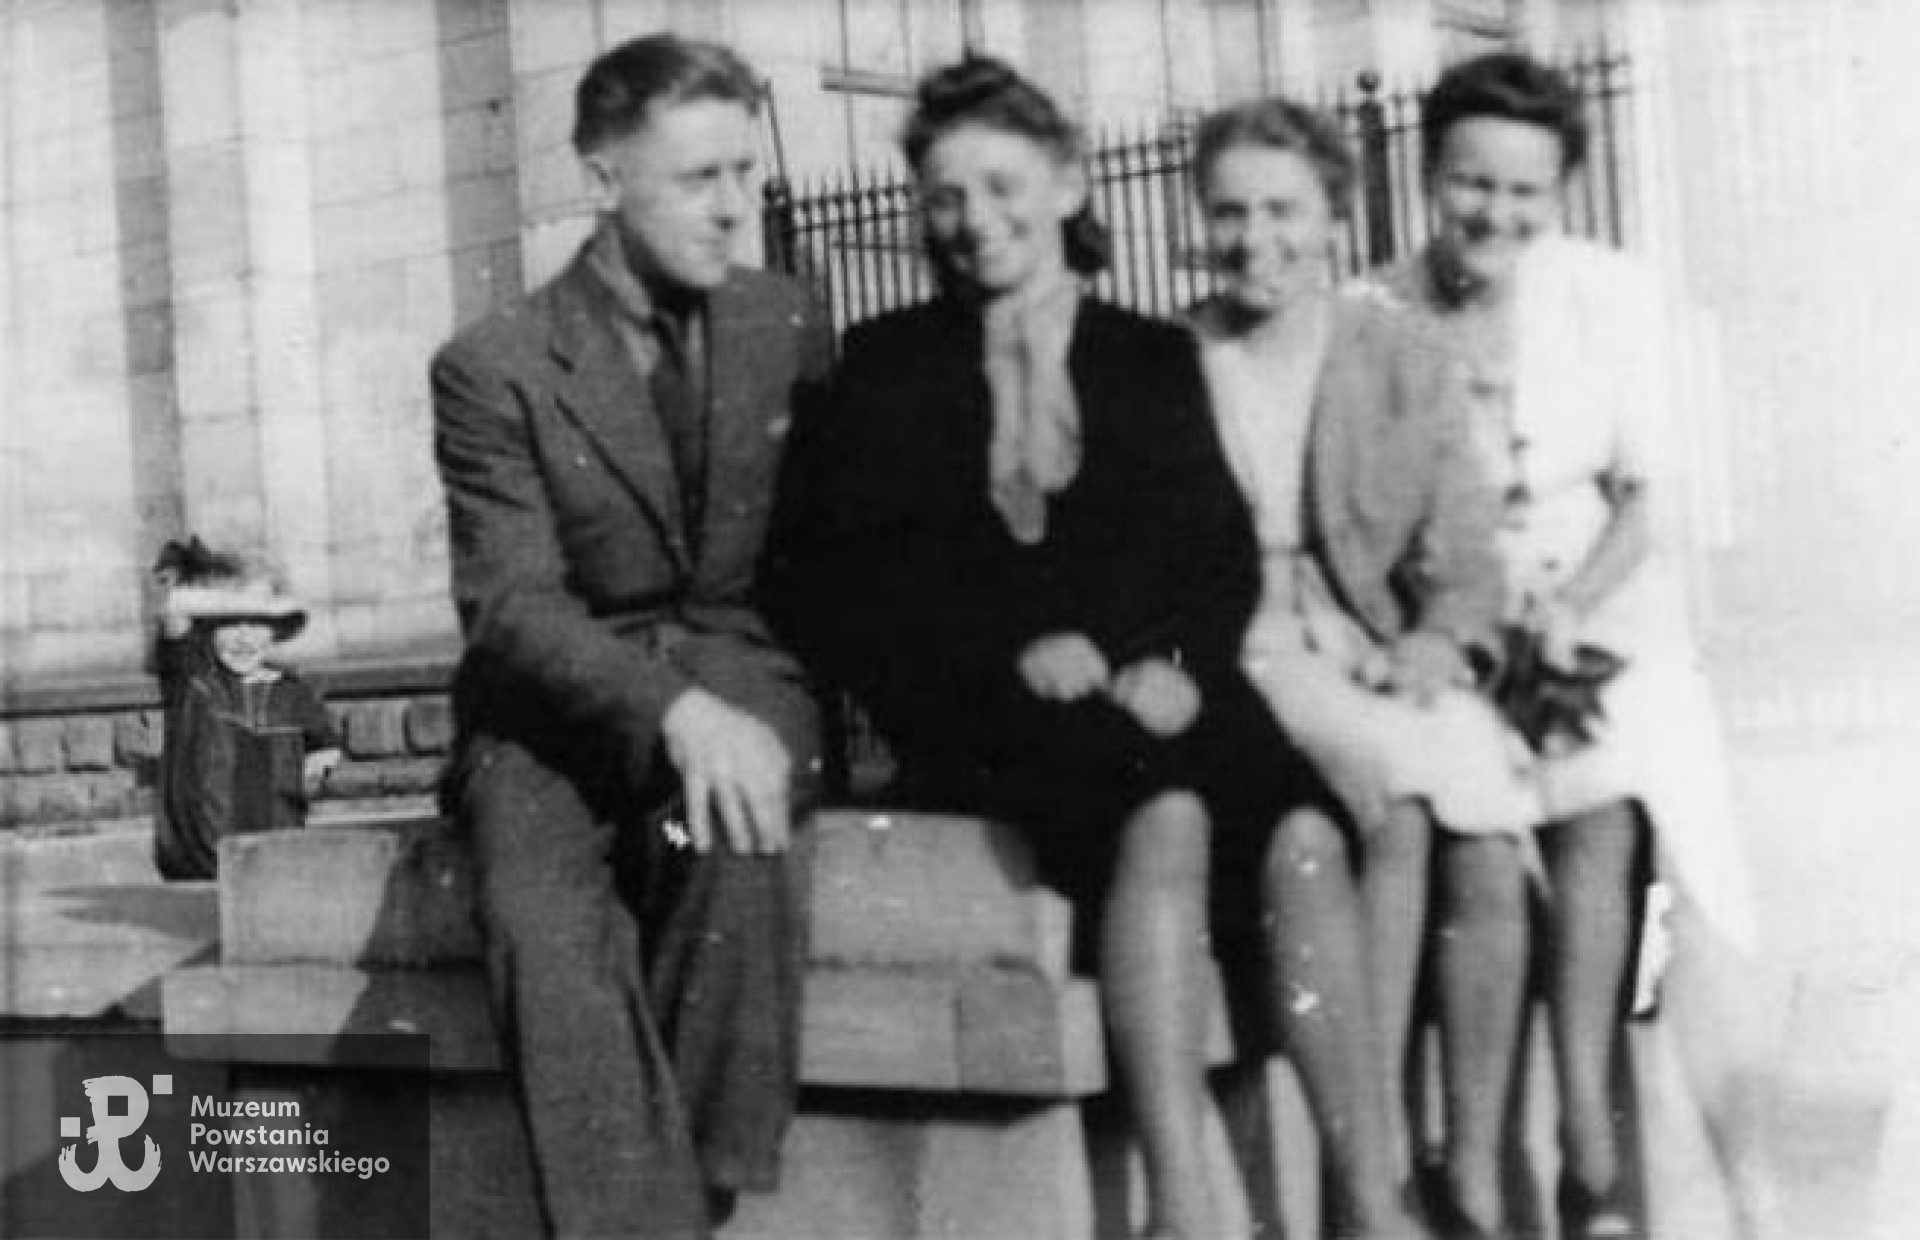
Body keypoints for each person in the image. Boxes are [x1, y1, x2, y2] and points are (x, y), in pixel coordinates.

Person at [768, 56, 1326, 1240]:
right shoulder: (885, 366)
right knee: (1164, 813)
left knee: (1313, 832)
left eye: (1003, 185)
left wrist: (1174, 663)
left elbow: (1216, 555)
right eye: (945, 196)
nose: (976, 221)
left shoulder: (1147, 354)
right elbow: (845, 584)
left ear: (1070, 180)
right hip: (994, 721)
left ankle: (1371, 1203)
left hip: (1161, 692)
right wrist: (1011, 654)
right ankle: (1188, 1206)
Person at [428, 34, 830, 1240]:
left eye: (746, 173)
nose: (734, 207)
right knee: (538, 926)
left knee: (740, 849)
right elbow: (510, 607)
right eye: (698, 177)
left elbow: (828, 559)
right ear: (603, 177)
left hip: (741, 681)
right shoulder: (493, 364)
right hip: (549, 719)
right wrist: (675, 712)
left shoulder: (786, 322)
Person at [1376, 51, 1772, 1240]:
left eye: (1522, 192)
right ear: (1428, 171)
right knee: (1485, 821)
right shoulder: (1375, 311)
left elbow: (1650, 500)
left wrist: (1568, 603)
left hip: (1604, 610)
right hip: (1445, 629)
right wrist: (1456, 614)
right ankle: (1492, 1167)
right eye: (1468, 182)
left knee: (1611, 800)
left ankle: (1593, 1153)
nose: (1492, 213)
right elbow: (1364, 511)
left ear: (1558, 197)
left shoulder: (1606, 294)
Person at [1185, 96, 1527, 1240]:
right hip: (1242, 652)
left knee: (1483, 820)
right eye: (1229, 212)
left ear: (1334, 215)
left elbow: (1467, 551)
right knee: (1395, 794)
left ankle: (1467, 1169)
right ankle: (1365, 1186)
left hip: (1370, 652)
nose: (1254, 238)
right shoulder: (1177, 357)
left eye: (1283, 209)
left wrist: (1438, 639)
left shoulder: (1394, 350)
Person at [150, 540, 341, 880]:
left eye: (255, 625)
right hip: (208, 854)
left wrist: (317, 768)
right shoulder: (196, 684)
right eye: (230, 624)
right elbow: (174, 632)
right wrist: (181, 586)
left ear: (275, 633)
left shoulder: (293, 693)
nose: (243, 638)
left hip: (279, 846)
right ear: (207, 631)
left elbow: (323, 746)